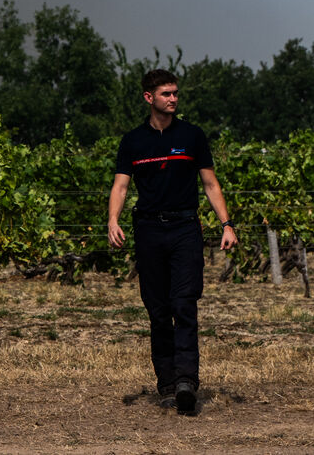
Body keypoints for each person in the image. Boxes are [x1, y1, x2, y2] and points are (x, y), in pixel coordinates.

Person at [107, 69, 238, 415]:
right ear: (149, 97)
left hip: (185, 229)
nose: (173, 99)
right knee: (158, 310)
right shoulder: (133, 141)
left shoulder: (192, 136)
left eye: (176, 93)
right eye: (166, 93)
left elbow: (210, 184)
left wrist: (226, 224)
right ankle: (166, 383)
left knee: (184, 304)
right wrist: (113, 221)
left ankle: (186, 382)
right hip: (148, 230)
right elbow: (121, 186)